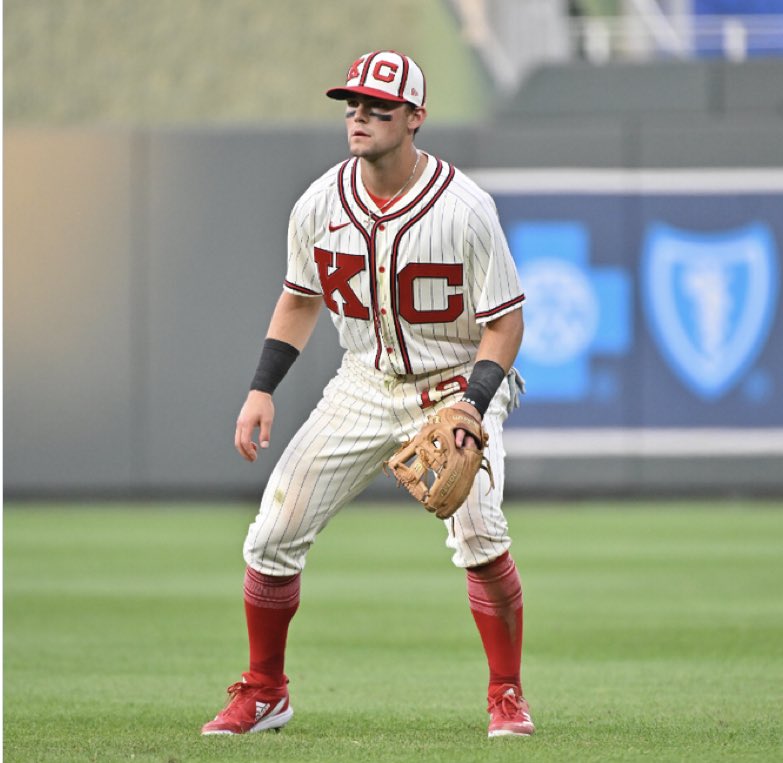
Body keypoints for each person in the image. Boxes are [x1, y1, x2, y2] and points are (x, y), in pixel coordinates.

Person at [201, 50, 534, 739]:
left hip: (452, 380)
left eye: (378, 108)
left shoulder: (465, 207)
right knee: (271, 535)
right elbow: (298, 300)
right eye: (352, 105)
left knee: (477, 533)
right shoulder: (320, 202)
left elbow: (504, 322)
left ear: (414, 119)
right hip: (364, 378)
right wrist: (260, 388)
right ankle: (266, 689)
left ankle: (505, 691)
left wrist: (471, 403)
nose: (359, 117)